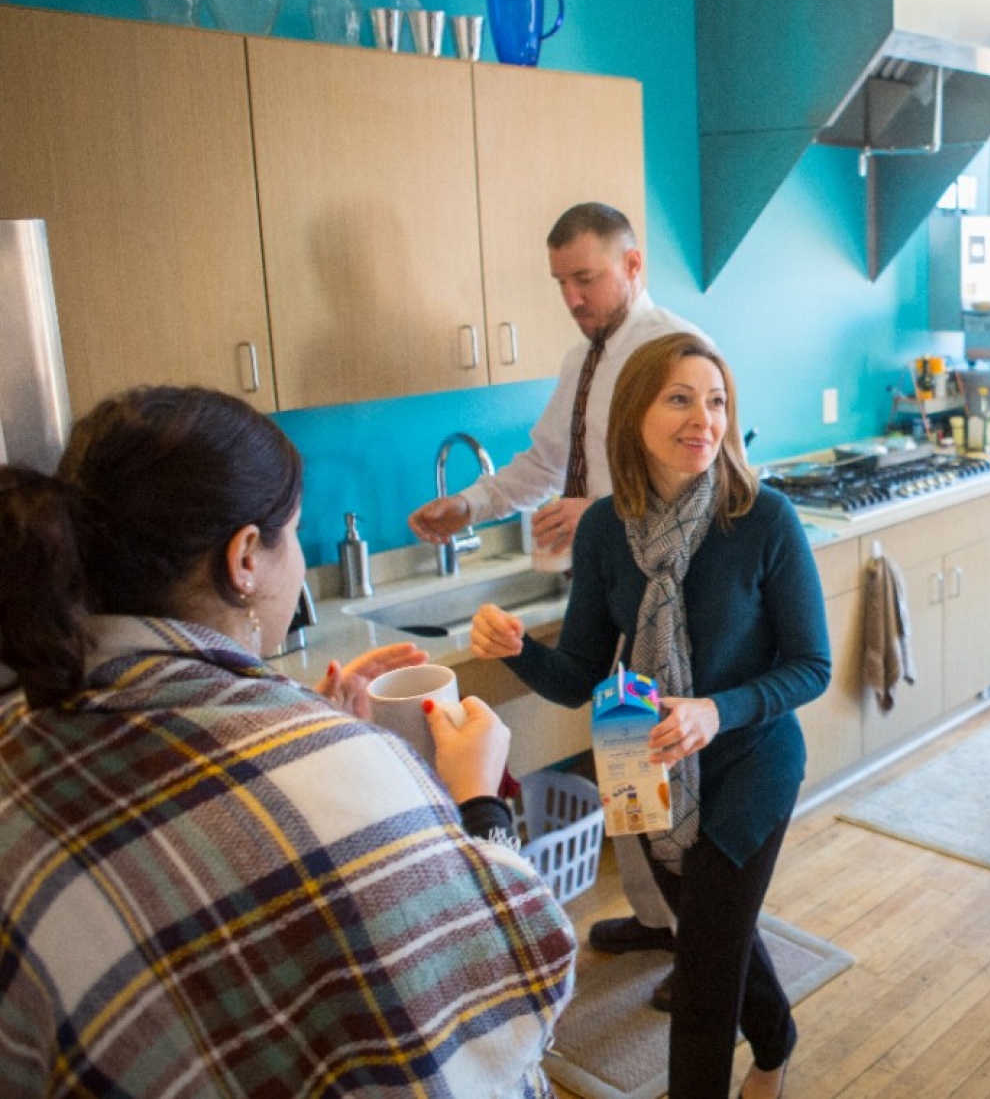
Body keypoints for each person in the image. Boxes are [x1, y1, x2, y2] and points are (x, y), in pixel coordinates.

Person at [0, 386, 577, 1095]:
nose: (299, 563)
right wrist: (477, 803)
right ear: (245, 557)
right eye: (295, 535)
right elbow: (511, 988)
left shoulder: (23, 726)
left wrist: (309, 726)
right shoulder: (351, 765)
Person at [471, 332, 829, 1099]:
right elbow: (575, 677)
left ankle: (754, 1052)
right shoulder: (604, 528)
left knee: (700, 976)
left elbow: (811, 667)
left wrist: (715, 710)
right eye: (680, 398)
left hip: (749, 767)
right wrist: (515, 650)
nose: (705, 418)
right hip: (646, 765)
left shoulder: (763, 519)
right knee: (715, 930)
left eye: (717, 401)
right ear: (635, 413)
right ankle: (778, 1036)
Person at [410, 200, 699, 957]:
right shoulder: (582, 360)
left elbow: (690, 483)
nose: (572, 298)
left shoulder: (676, 354)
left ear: (632, 267)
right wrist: (468, 503)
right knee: (625, 757)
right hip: (605, 589)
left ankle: (699, 937)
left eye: (586, 278)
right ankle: (658, 918)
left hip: (666, 598)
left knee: (672, 770)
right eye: (560, 283)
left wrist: (598, 513)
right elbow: (543, 464)